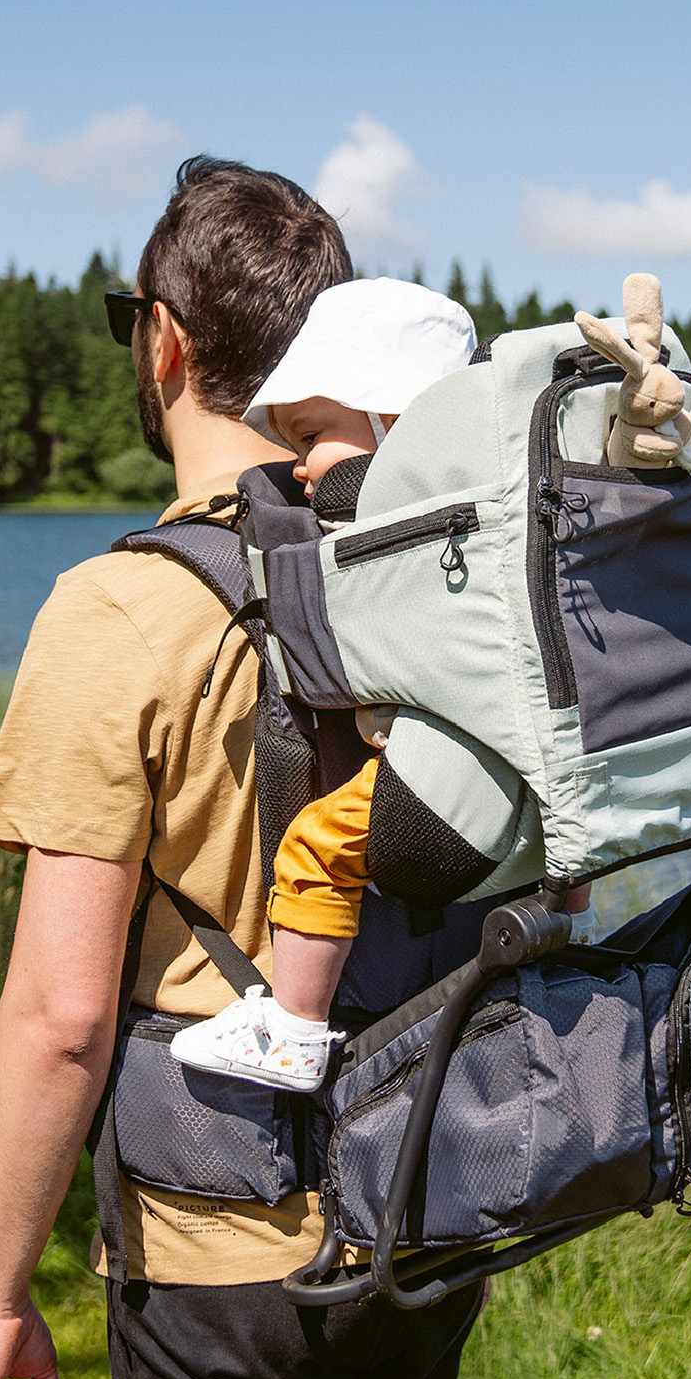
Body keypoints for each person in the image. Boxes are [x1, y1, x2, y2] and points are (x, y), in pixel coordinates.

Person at [0, 159, 486, 1379]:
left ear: (166, 340)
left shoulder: (119, 614)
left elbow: (61, 1016)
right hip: (429, 1205)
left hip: (222, 1259)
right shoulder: (438, 573)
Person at [166, 276, 479, 1093]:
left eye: (310, 436)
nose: (296, 465)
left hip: (456, 765)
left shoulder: (397, 518)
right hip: (529, 769)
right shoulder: (489, 510)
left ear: (397, 422)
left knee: (310, 850)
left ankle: (297, 1030)